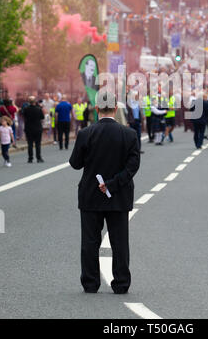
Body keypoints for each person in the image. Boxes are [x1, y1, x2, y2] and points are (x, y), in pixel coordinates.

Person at [69, 91, 140, 294]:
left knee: (90, 241)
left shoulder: (85, 134)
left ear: (97, 108)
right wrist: (112, 184)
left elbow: (75, 164)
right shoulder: (129, 134)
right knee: (119, 241)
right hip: (119, 195)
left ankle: (90, 283)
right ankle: (121, 283)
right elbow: (133, 166)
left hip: (91, 194)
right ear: (116, 109)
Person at [23, 96, 45, 163]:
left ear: (29, 102)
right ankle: (38, 158)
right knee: (38, 144)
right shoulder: (38, 109)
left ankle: (30, 158)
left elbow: (24, 116)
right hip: (37, 128)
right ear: (35, 101)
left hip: (29, 128)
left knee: (30, 144)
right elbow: (42, 117)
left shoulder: (26, 109)